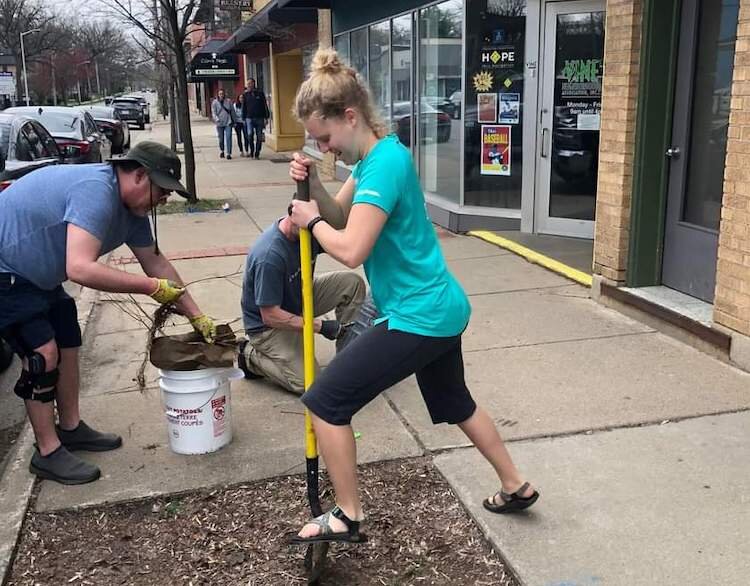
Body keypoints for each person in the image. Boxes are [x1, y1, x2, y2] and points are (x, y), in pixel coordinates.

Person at [286, 48, 539, 544]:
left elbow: (351, 248)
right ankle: (516, 485)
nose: (326, 147)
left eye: (326, 137)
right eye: (317, 142)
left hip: (419, 314)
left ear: (350, 116)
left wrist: (307, 222)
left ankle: (348, 514)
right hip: (440, 306)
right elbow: (340, 218)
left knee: (326, 402)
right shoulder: (379, 156)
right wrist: (312, 185)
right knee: (456, 402)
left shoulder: (382, 167)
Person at [0, 141, 216, 485]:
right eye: (163, 191)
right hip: (7, 271)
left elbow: (156, 263)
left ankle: (70, 428)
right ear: (139, 176)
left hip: (39, 275)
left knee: (68, 342)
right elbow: (80, 269)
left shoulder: (134, 212)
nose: (165, 200)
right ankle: (47, 451)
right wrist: (149, 288)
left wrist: (197, 316)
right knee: (42, 354)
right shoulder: (97, 192)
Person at [238, 208, 366, 394]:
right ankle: (249, 356)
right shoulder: (269, 256)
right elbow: (270, 316)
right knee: (311, 385)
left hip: (298, 299)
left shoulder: (310, 228)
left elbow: (345, 247)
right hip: (269, 327)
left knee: (351, 284)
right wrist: (321, 326)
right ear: (292, 214)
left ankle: (348, 360)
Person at [241, 78, 270, 159]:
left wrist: (266, 117)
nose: (249, 85)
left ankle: (257, 152)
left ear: (253, 84)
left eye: (250, 83)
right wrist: (243, 118)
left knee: (259, 136)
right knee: (250, 135)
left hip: (259, 117)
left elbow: (264, 105)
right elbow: (244, 107)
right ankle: (252, 150)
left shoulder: (260, 94)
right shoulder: (245, 95)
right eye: (248, 84)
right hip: (249, 118)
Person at [211, 88, 236, 160]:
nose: (221, 95)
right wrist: (216, 119)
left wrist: (234, 121)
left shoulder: (228, 101)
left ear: (224, 94)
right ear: (218, 95)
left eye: (222, 93)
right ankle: (222, 150)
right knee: (221, 139)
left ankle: (228, 153)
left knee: (228, 137)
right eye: (220, 94)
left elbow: (232, 111)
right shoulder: (215, 102)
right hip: (219, 123)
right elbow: (213, 112)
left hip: (228, 122)